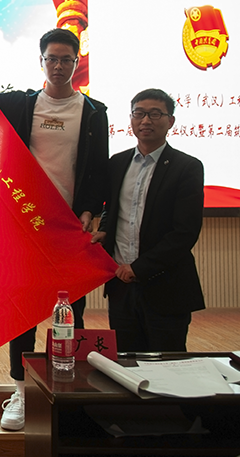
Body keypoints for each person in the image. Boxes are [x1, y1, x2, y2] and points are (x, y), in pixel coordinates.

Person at [0, 28, 109, 431]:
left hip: (69, 229)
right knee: (22, 314)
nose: (59, 66)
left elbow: (99, 170)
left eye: (66, 60)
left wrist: (90, 210)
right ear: (41, 61)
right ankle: (21, 394)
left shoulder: (93, 112)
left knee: (71, 313)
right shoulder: (20, 104)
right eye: (52, 59)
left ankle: (68, 394)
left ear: (77, 63)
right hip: (24, 227)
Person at [91, 88, 205, 352]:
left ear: (170, 121)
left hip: (165, 288)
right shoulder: (117, 163)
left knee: (167, 366)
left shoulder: (186, 167)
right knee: (126, 364)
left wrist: (140, 268)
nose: (145, 121)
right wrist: (105, 230)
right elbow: (111, 210)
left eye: (155, 114)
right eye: (139, 113)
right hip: (121, 286)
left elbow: (185, 232)